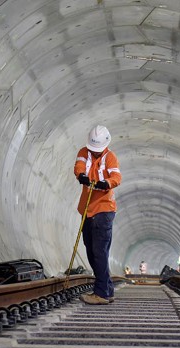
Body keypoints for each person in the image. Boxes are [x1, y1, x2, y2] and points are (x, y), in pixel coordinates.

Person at [74, 125, 122, 305]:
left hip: (104, 209)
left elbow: (117, 177)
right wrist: (81, 176)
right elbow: (78, 166)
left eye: (97, 150)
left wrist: (105, 183)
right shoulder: (83, 152)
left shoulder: (110, 157)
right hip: (87, 208)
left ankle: (101, 293)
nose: (95, 153)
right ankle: (107, 289)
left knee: (99, 250)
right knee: (90, 249)